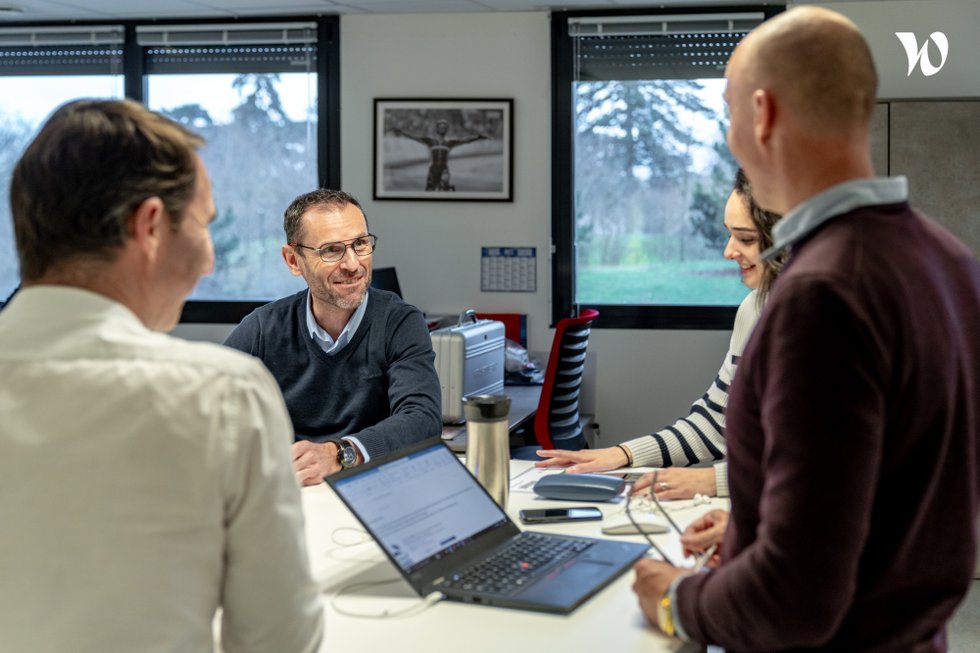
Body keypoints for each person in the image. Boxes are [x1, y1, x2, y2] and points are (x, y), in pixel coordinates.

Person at [633, 7, 980, 651]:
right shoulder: (950, 261)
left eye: (729, 114)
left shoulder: (824, 292)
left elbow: (793, 599)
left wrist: (675, 600)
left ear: (762, 114)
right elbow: (886, 491)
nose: (730, 138)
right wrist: (751, 532)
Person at [0, 99, 323, 651]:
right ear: (150, 226)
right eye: (202, 226)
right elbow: (276, 639)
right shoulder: (222, 395)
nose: (209, 262)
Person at [535, 169, 782, 500]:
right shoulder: (753, 309)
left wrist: (714, 482)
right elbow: (716, 424)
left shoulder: (824, 318)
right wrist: (622, 454)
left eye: (746, 239)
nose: (728, 251)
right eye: (729, 235)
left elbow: (822, 459)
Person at [224, 189, 442, 485]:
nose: (353, 264)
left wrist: (340, 454)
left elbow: (422, 419)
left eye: (360, 244)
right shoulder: (264, 328)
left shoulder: (399, 322)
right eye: (331, 250)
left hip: (377, 488)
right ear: (293, 260)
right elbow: (206, 405)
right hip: (296, 493)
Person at [393, 118, 487, 191]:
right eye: (441, 127)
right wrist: (401, 132)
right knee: (429, 190)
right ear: (437, 128)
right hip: (433, 169)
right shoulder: (429, 141)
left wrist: (477, 138)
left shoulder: (450, 143)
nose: (443, 129)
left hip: (444, 169)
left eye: (444, 128)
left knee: (445, 189)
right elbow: (413, 137)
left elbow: (465, 141)